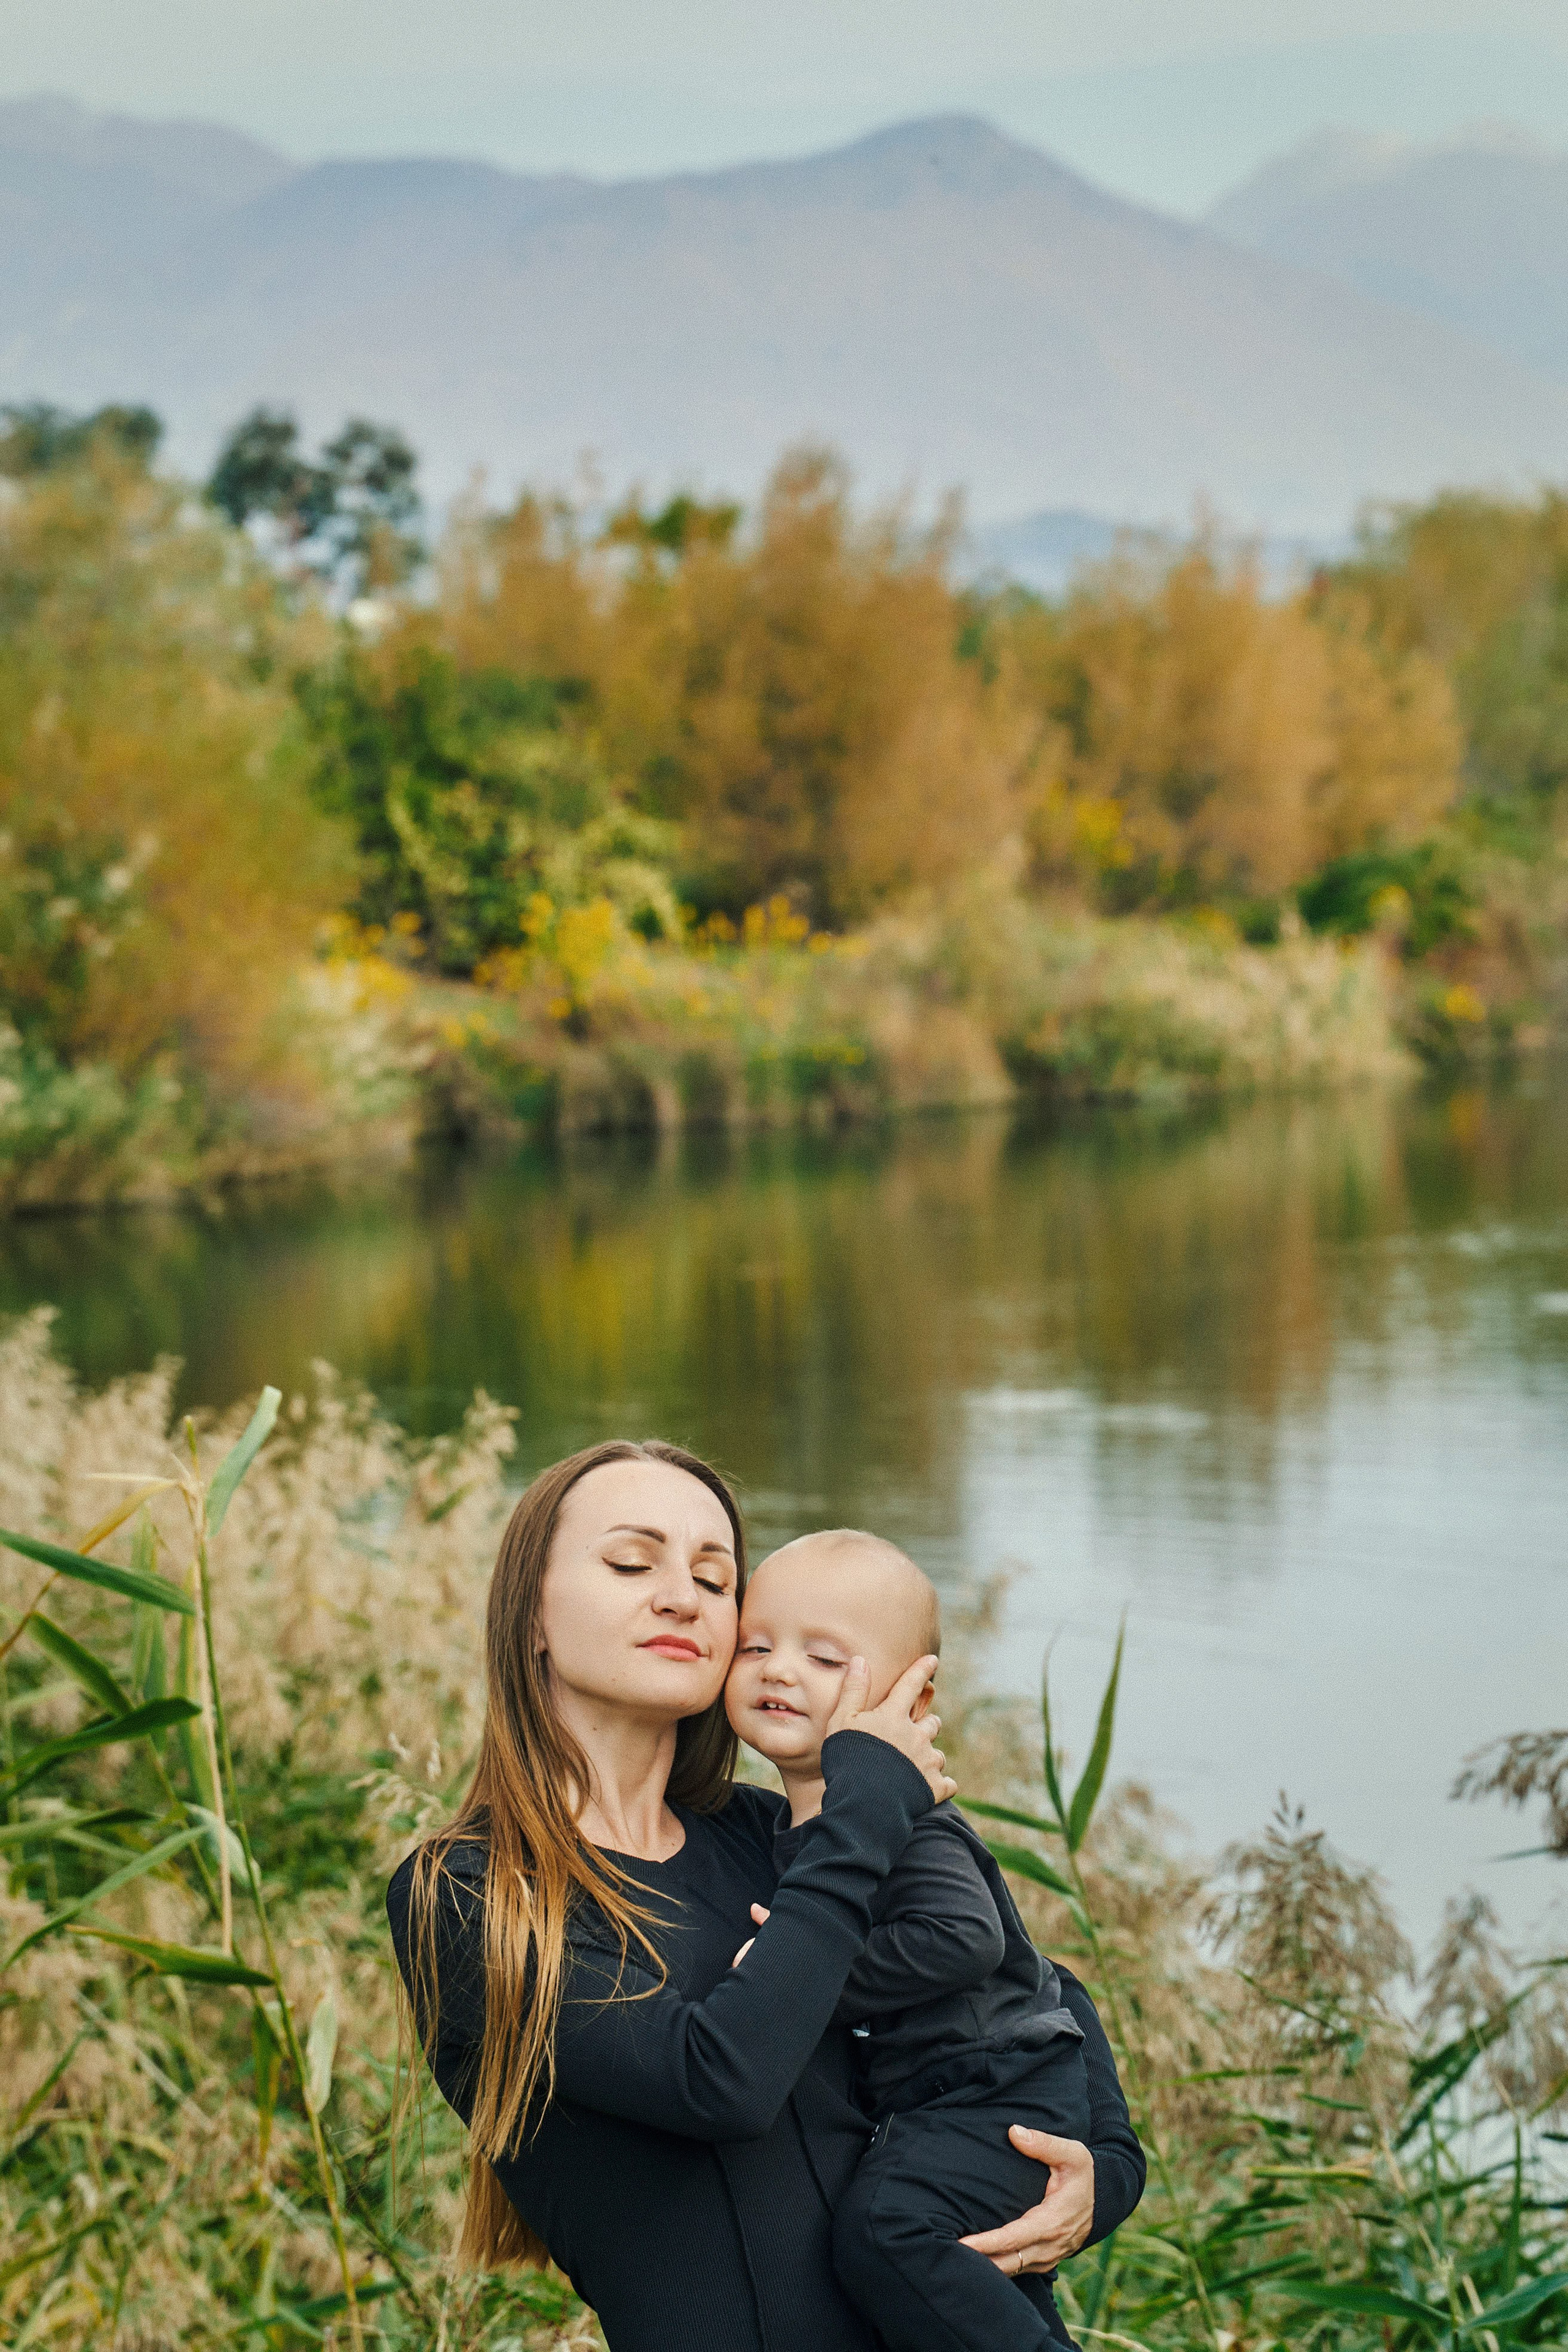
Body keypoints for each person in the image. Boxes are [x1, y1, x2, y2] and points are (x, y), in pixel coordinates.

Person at [387, 1439, 1144, 2352]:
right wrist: (868, 1801)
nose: (681, 1595)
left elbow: (1031, 1979)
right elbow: (720, 2081)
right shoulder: (470, 1895)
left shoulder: (768, 1835)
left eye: (715, 1579)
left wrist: (1107, 2169)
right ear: (531, 1616)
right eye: (632, 1562)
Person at [727, 1528, 1106, 2352]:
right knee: (952, 2273)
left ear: (914, 1699)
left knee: (886, 2230)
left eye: (826, 1658)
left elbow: (963, 1938)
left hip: (998, 2090)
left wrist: (805, 1974)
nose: (779, 1668)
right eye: (754, 1644)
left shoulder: (912, 1822)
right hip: (946, 2101)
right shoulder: (784, 1823)